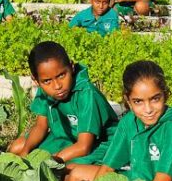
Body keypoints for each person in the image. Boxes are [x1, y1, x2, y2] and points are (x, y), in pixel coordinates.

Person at [7, 41, 118, 170]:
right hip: (65, 139)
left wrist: (49, 162)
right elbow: (41, 126)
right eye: (47, 81)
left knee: (68, 169)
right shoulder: (45, 90)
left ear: (71, 67)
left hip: (98, 144)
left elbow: (84, 146)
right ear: (36, 80)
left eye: (61, 75)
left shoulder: (86, 94)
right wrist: (25, 153)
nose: (57, 86)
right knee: (17, 147)